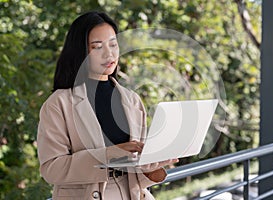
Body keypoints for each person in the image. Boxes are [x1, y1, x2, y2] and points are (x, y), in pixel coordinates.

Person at [37, 11, 178, 200]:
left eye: (113, 44)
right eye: (97, 47)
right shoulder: (58, 104)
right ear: (80, 52)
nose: (109, 53)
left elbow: (137, 172)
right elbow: (51, 169)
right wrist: (108, 155)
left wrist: (149, 167)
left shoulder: (132, 100)